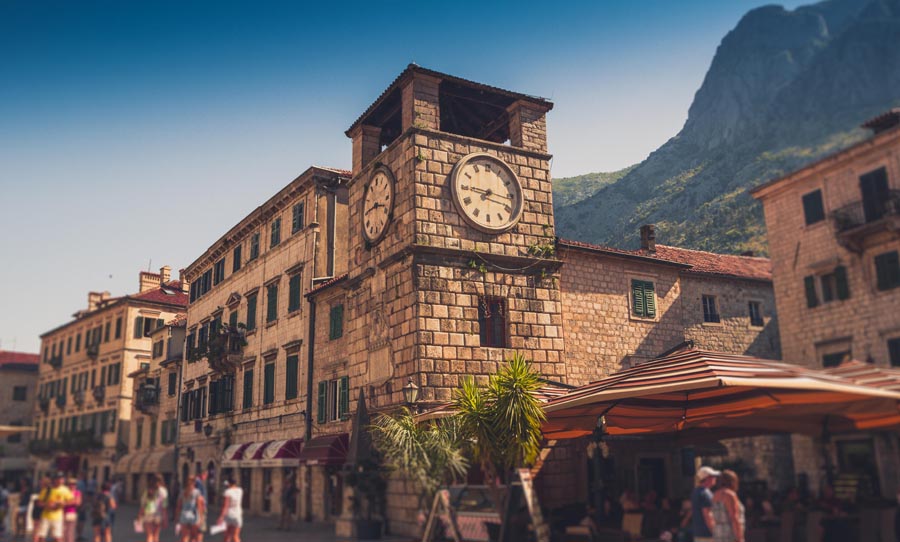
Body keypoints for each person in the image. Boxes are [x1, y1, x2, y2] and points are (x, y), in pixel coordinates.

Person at [36, 473, 74, 542]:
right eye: (59, 479)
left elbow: (71, 500)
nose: (61, 480)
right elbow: (39, 502)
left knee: (58, 537)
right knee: (42, 537)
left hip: (58, 517)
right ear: (54, 480)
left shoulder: (65, 489)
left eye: (62, 479)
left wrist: (63, 503)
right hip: (46, 516)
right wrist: (47, 504)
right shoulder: (47, 490)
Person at [711, 469, 745, 542]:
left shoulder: (715, 495)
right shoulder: (730, 495)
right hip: (730, 534)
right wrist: (740, 538)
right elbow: (734, 517)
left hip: (718, 533)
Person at [691, 466, 720, 542]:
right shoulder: (705, 494)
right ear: (707, 478)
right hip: (707, 535)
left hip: (698, 533)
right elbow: (708, 514)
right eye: (713, 476)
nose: (715, 478)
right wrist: (715, 532)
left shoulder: (696, 492)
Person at [138, 475, 167, 542]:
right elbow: (164, 507)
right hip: (158, 514)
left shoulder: (147, 491)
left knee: (149, 535)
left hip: (148, 514)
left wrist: (139, 515)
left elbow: (143, 505)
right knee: (156, 535)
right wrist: (165, 518)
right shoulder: (163, 491)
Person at [176, 475, 205, 542]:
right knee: (193, 537)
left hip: (184, 515)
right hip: (194, 516)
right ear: (194, 482)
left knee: (184, 537)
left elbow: (178, 506)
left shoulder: (182, 492)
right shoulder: (197, 492)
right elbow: (199, 506)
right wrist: (201, 518)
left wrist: (177, 517)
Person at [216, 478, 243, 542]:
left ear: (229, 484)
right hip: (237, 515)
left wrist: (221, 517)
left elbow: (226, 506)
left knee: (227, 536)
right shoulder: (240, 490)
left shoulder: (228, 492)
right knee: (236, 536)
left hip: (229, 515)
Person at [63, 478, 83, 542]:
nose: (72, 486)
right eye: (71, 484)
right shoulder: (65, 492)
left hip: (72, 513)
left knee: (70, 532)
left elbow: (78, 502)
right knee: (63, 532)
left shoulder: (77, 492)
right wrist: (72, 501)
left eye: (74, 484)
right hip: (63, 513)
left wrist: (65, 503)